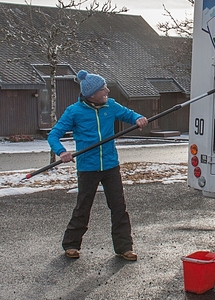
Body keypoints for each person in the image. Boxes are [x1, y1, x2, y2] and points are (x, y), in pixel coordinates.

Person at [48, 70, 148, 261]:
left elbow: (129, 114)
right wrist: (61, 152)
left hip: (110, 165)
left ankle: (124, 247)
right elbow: (53, 135)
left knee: (119, 207)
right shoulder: (74, 111)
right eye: (103, 89)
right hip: (88, 167)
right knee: (83, 207)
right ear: (92, 94)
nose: (107, 91)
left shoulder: (110, 105)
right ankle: (71, 244)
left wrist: (138, 118)